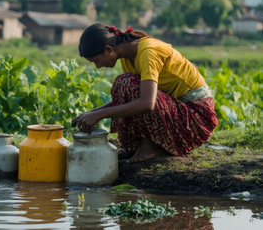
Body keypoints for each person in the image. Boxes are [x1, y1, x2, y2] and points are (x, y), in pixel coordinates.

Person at [72, 23, 218, 162]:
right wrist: (92, 113)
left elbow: (147, 103)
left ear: (109, 49)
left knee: (126, 83)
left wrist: (98, 115)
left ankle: (151, 147)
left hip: (196, 119)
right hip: (177, 110)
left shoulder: (148, 52)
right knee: (124, 85)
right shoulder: (127, 57)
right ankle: (148, 145)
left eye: (96, 60)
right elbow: (130, 99)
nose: (98, 66)